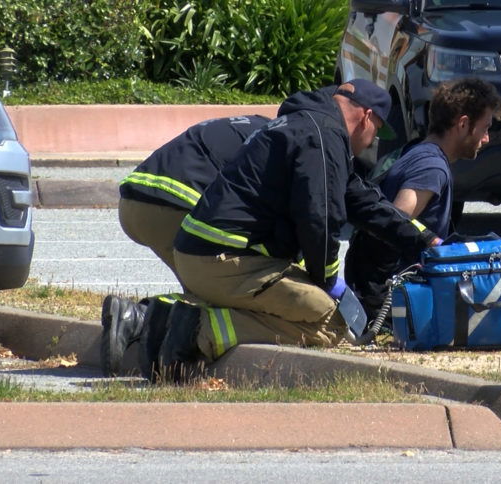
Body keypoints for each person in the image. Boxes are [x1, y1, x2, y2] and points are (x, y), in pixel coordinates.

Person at [145, 79, 441, 380]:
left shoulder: (305, 125)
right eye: (376, 132)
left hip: (203, 252)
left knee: (305, 302)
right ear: (366, 117)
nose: (371, 142)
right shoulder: (322, 138)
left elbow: (361, 199)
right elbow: (320, 217)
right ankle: (199, 334)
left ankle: (161, 315)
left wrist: (423, 239)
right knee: (330, 321)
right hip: (225, 259)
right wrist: (327, 281)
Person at [100, 114, 269, 376]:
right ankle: (138, 317)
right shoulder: (284, 143)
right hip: (177, 206)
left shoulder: (255, 125)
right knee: (236, 290)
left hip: (135, 199)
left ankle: (136, 316)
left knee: (210, 288)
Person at [344, 77, 501, 320]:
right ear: (463, 124)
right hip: (395, 298)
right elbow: (392, 225)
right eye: (484, 128)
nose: (486, 138)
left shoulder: (416, 150)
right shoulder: (431, 168)